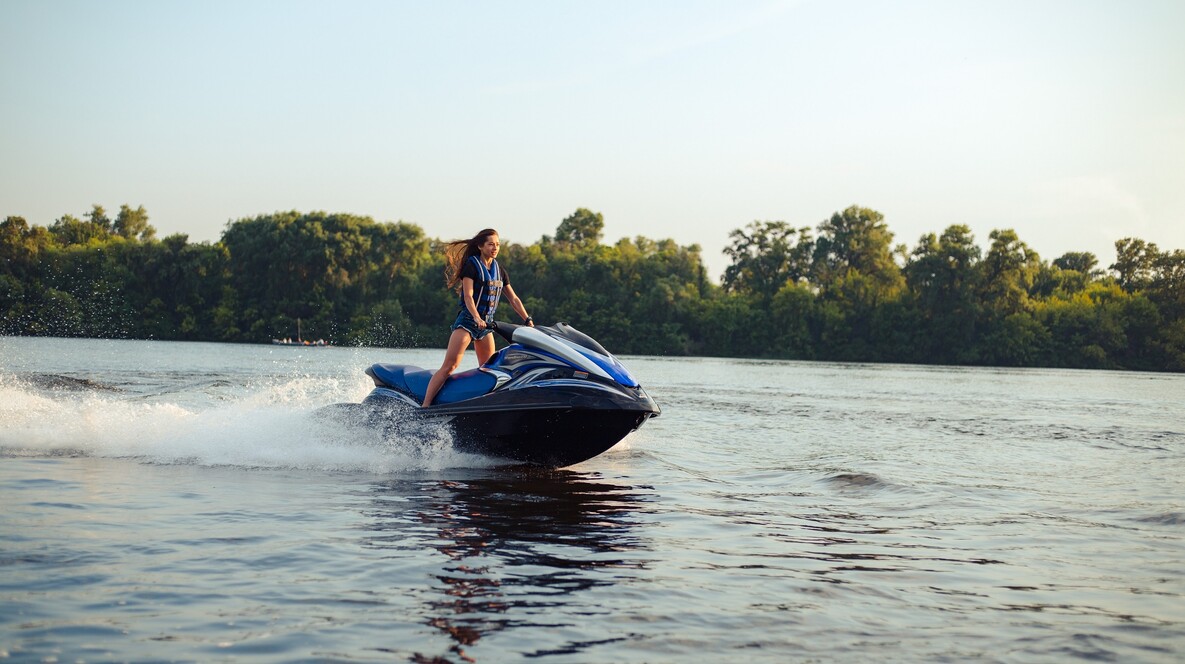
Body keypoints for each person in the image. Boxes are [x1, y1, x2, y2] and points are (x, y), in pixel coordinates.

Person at [422, 228, 534, 407]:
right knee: (449, 367)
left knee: (489, 370)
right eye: (491, 244)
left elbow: (513, 298)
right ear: (481, 246)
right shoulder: (472, 266)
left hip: (486, 326)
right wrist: (475, 318)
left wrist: (527, 319)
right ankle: (425, 406)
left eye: (497, 244)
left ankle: (481, 404)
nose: (495, 248)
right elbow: (468, 296)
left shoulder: (499, 270)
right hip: (468, 322)